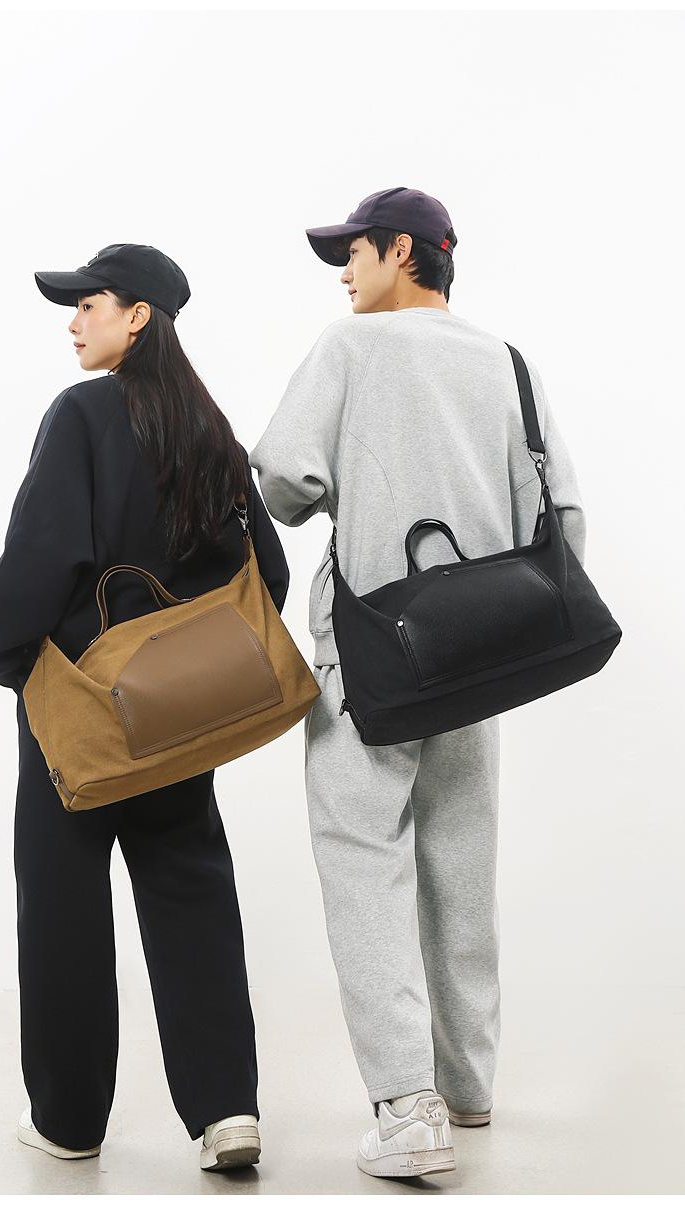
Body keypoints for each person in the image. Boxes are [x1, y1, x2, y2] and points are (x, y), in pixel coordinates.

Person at [249, 188, 586, 1180]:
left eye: (352, 254)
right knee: (459, 861)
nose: (343, 274)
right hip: (479, 657)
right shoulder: (505, 360)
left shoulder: (350, 349)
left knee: (364, 864)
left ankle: (406, 1105)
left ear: (401, 251)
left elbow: (284, 480)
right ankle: (467, 1082)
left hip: (372, 652)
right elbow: (563, 514)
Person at [0, 243, 289, 1171]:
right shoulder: (208, 426)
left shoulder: (81, 414)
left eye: (89, 303)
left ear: (138, 315)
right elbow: (265, 571)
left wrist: (4, 655)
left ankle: (70, 1122)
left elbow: (43, 554)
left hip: (80, 702)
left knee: (63, 899)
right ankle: (227, 1110)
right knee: (191, 887)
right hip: (183, 712)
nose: (75, 321)